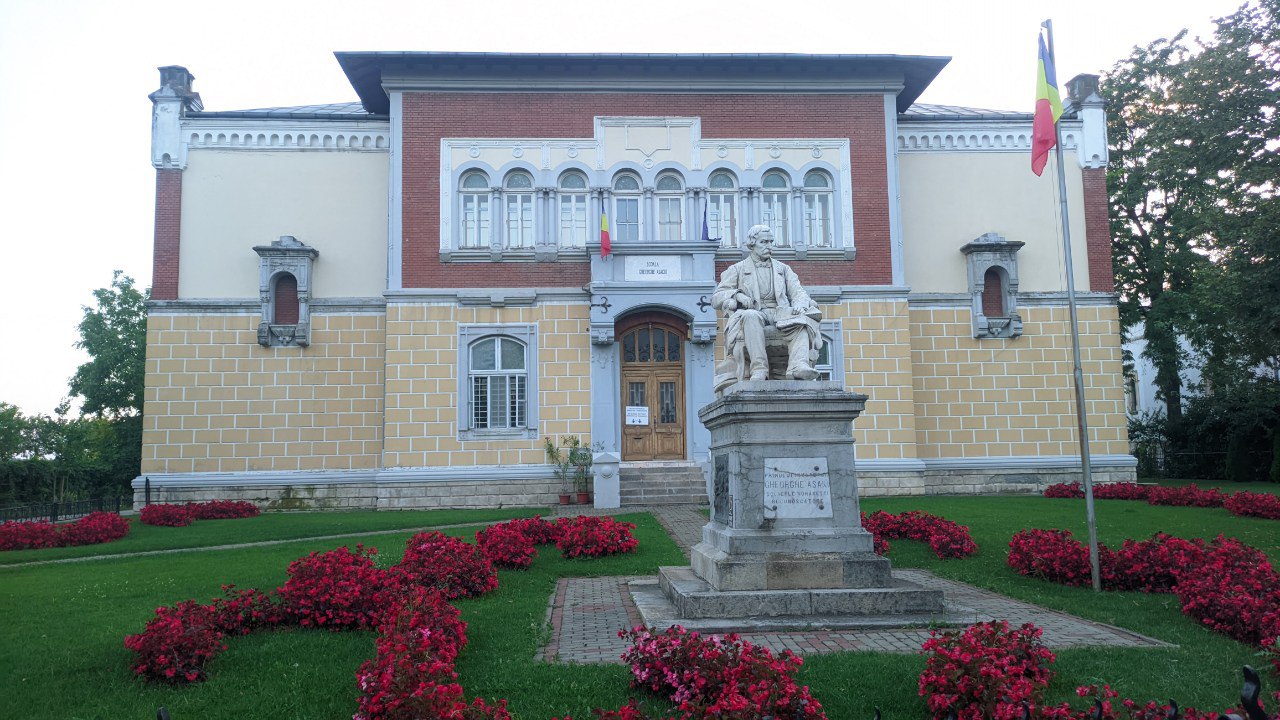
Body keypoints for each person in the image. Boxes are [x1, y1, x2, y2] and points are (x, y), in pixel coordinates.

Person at [711, 224, 823, 382]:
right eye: (764, 242)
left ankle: (798, 366)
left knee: (802, 321)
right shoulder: (737, 269)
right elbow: (717, 297)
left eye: (771, 242)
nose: (769, 246)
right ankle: (759, 369)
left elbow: (798, 292)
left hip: (780, 314)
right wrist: (737, 295)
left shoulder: (783, 269)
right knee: (750, 316)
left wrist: (800, 304)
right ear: (752, 243)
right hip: (754, 314)